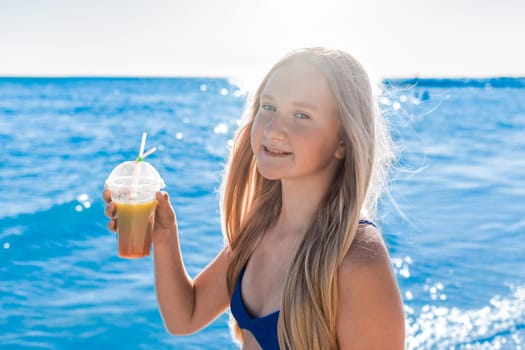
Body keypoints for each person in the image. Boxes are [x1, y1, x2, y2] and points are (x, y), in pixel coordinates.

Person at [104, 47, 405, 349]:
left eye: (302, 115)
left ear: (343, 140)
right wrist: (164, 236)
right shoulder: (260, 230)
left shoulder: (357, 262)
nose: (274, 130)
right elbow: (186, 316)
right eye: (268, 107)